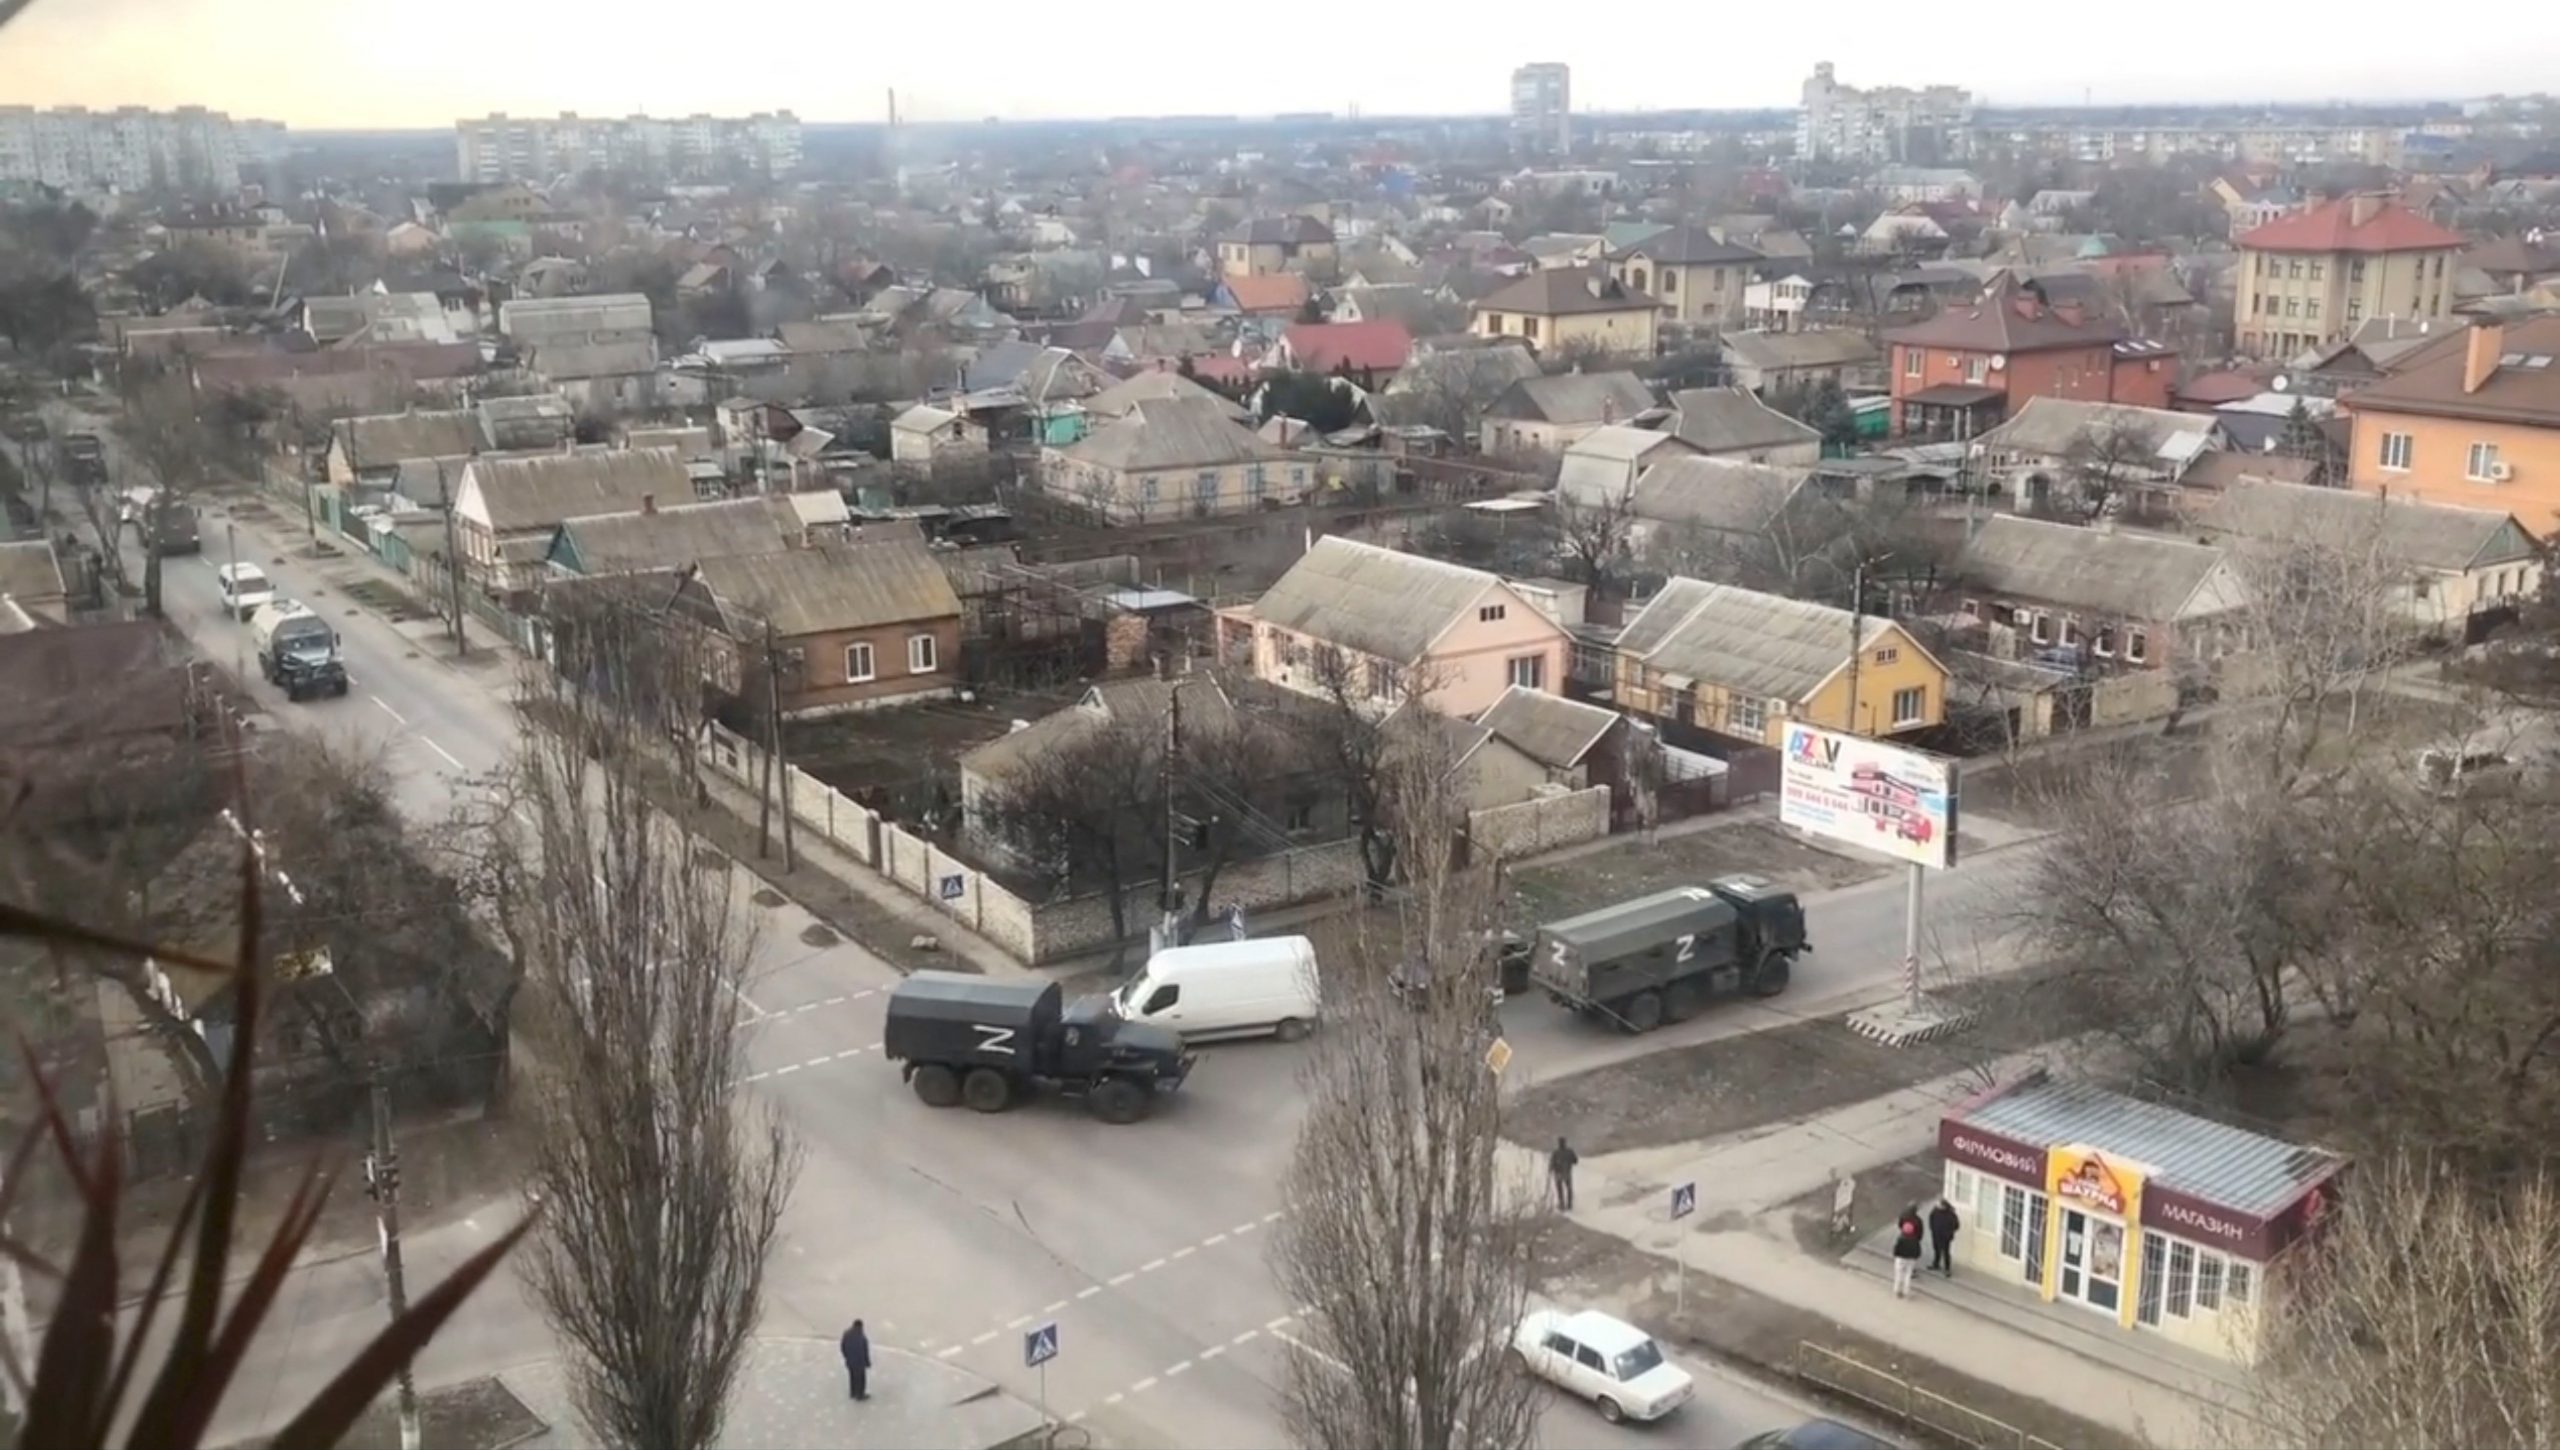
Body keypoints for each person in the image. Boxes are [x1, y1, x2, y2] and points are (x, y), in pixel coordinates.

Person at [1891, 1206, 1924, 1298]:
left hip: (1901, 1258)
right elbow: (1918, 1251)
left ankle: (1897, 1290)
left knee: (1898, 1273)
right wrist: (1916, 1256)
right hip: (1911, 1259)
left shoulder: (1901, 1239)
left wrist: (1896, 1255)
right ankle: (1906, 1291)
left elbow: (1896, 1250)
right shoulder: (1915, 1239)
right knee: (1908, 1274)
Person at [1928, 1197, 1962, 1276]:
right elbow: (1931, 1219)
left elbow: (1956, 1225)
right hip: (1936, 1234)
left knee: (1946, 1252)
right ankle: (1936, 1264)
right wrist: (1933, 1229)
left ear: (1944, 1206)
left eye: (1939, 1204)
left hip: (1945, 1237)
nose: (1937, 1205)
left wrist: (1949, 1232)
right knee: (1936, 1249)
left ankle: (1947, 1268)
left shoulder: (1951, 1214)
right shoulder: (1935, 1211)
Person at [840, 1318, 871, 1401]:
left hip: (850, 1361)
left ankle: (853, 1392)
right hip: (859, 1362)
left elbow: (843, 1347)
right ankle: (860, 1394)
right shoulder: (861, 1337)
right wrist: (867, 1362)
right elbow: (864, 1351)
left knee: (852, 1377)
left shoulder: (846, 1334)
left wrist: (846, 1356)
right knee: (861, 1378)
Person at [1549, 1136, 1579, 1212]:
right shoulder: (1569, 1151)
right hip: (1567, 1173)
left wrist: (1551, 1169)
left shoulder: (1556, 1153)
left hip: (1558, 1174)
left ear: (1558, 1143)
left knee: (1560, 1189)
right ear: (1565, 1143)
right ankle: (1569, 1204)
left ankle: (1562, 1204)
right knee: (1569, 1188)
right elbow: (1575, 1161)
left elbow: (1552, 1163)